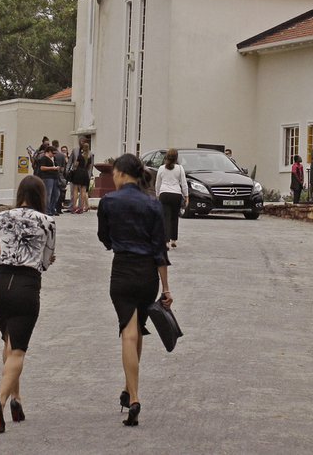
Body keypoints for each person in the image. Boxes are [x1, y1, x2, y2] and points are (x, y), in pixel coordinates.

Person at [97, 153, 173, 428]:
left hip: (122, 270)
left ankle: (135, 397)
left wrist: (117, 240)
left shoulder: (108, 202)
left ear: (119, 173)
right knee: (137, 329)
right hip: (147, 275)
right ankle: (129, 389)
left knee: (128, 333)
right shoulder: (152, 203)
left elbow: (104, 237)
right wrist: (166, 289)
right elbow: (160, 249)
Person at [0, 175, 56, 433]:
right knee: (18, 351)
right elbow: (46, 262)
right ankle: (0, 400)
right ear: (42, 196)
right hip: (26, 287)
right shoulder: (47, 222)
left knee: (8, 340)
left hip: (0, 284)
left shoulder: (1, 217)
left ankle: (17, 400)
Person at [155, 149, 188, 248]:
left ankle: (166, 242)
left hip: (164, 194)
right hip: (176, 194)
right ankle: (174, 239)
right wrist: (186, 196)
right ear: (176, 157)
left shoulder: (161, 168)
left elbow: (158, 183)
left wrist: (157, 194)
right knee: (174, 217)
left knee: (165, 218)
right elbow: (183, 183)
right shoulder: (180, 168)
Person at [67, 139, 94, 214]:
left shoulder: (80, 156)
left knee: (75, 190)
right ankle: (81, 208)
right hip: (85, 173)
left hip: (78, 172)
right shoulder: (89, 156)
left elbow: (76, 164)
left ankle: (74, 207)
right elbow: (89, 167)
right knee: (83, 191)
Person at [36, 142, 61, 216]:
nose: (54, 155)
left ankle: (52, 208)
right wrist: (53, 168)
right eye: (53, 153)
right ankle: (47, 210)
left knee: (56, 194)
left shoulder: (53, 158)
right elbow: (42, 168)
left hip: (54, 177)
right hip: (47, 177)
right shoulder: (43, 158)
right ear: (49, 152)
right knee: (48, 194)